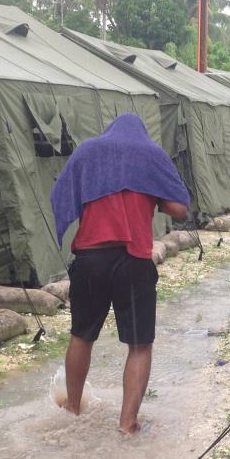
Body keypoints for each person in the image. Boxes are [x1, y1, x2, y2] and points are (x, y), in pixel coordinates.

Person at [50, 113, 190, 433]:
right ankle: (127, 424)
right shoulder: (151, 154)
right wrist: (152, 195)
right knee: (139, 345)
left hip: (90, 258)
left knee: (82, 336)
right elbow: (179, 207)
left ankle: (72, 408)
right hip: (133, 261)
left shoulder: (88, 151)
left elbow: (61, 194)